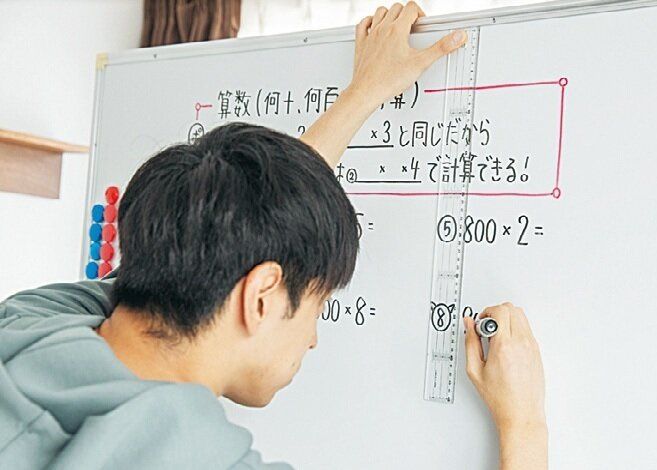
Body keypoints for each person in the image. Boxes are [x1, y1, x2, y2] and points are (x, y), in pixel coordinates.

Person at [0, 3, 546, 469]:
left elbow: (225, 227)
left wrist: (363, 93)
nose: (312, 339)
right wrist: (524, 425)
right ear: (262, 296)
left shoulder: (30, 322)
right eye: (317, 307)